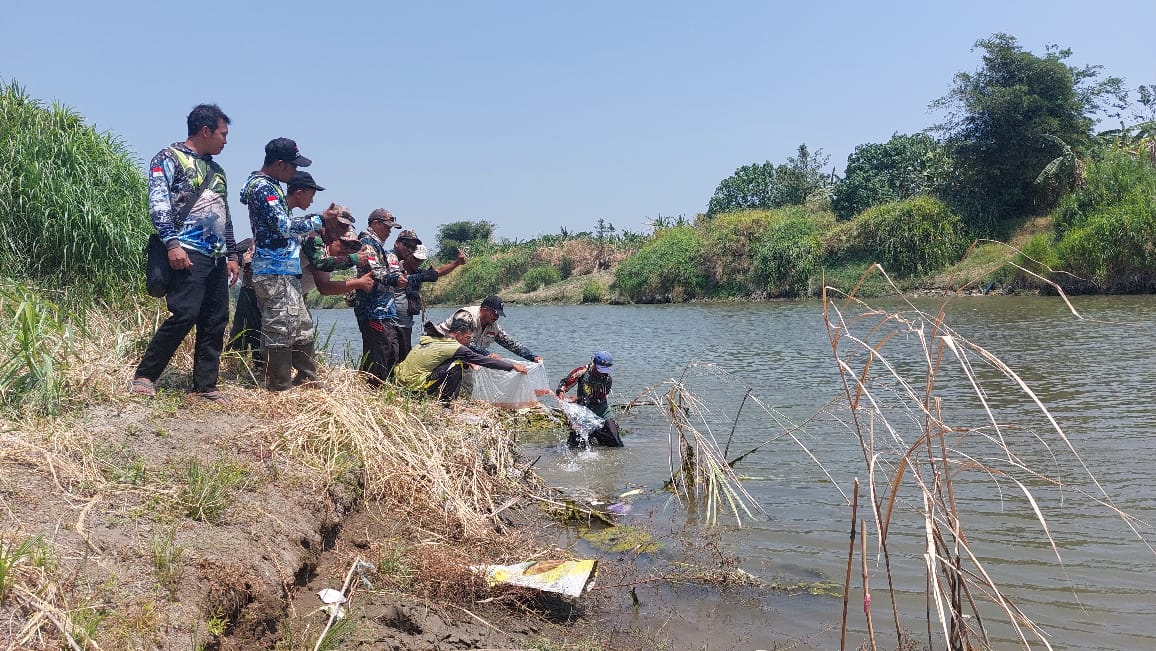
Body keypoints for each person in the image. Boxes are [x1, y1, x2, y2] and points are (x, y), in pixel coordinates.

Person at [131, 104, 239, 402]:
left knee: (215, 320)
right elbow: (158, 203)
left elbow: (225, 214)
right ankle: (145, 375)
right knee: (185, 314)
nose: (225, 141)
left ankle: (205, 386)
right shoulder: (168, 158)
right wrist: (172, 243)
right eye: (223, 133)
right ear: (206, 130)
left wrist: (232, 255)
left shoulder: (217, 171)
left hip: (216, 256)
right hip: (186, 250)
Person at [240, 137, 346, 391]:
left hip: (285, 270)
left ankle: (308, 380)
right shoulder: (263, 188)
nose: (296, 172)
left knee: (300, 325)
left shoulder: (272, 187)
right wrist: (320, 219)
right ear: (279, 164)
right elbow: (284, 227)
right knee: (279, 325)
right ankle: (280, 386)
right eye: (294, 166)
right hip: (272, 270)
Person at [428, 294, 542, 399]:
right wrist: (489, 355)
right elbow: (467, 343)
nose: (497, 317)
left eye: (499, 314)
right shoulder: (465, 316)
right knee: (450, 375)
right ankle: (442, 399)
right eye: (494, 313)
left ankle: (458, 399)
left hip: (465, 358)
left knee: (470, 387)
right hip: (441, 353)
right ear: (484, 309)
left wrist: (532, 357)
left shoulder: (493, 326)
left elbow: (511, 343)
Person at [393, 317, 527, 403]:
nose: (469, 342)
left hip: (401, 382)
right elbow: (484, 360)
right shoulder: (454, 346)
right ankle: (446, 403)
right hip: (415, 386)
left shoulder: (435, 339)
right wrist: (512, 366)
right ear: (458, 335)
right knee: (457, 365)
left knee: (459, 361)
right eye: (468, 338)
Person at [389, 229, 467, 361]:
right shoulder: (395, 267)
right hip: (391, 322)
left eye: (420, 260)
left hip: (406, 323)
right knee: (391, 355)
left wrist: (456, 263)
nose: (417, 262)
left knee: (403, 357)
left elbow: (437, 272)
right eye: (415, 259)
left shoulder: (418, 273)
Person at [350, 209, 407, 384]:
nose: (390, 231)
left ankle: (377, 389)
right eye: (387, 226)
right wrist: (396, 278)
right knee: (378, 353)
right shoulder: (367, 243)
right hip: (373, 310)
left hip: (383, 309)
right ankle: (371, 390)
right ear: (375, 224)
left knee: (389, 350)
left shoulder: (378, 245)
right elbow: (375, 272)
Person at [556, 351, 623, 447]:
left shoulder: (607, 379)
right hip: (582, 412)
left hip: (601, 412)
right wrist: (561, 391)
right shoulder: (582, 371)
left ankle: (596, 434)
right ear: (594, 363)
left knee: (616, 442)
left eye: (605, 370)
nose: (602, 373)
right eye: (600, 369)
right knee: (574, 445)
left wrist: (577, 399)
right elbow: (566, 382)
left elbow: (598, 399)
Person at [226, 237, 261, 373]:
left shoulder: (252, 258)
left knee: (254, 329)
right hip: (248, 293)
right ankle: (236, 364)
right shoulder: (240, 263)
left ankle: (257, 364)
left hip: (254, 293)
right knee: (243, 329)